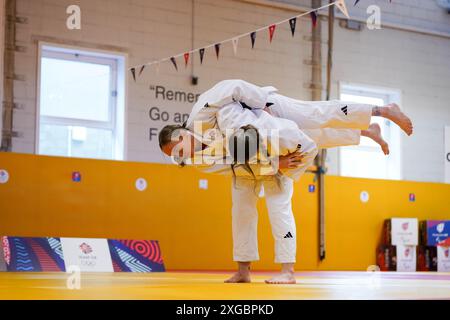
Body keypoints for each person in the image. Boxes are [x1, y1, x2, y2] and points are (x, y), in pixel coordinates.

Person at [158, 79, 413, 284]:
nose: (182, 155)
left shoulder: (203, 112)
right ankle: (243, 270)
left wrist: (260, 105)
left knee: (316, 117)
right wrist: (273, 165)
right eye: (176, 156)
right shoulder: (192, 160)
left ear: (182, 132)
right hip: (251, 166)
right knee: (241, 212)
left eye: (179, 147)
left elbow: (233, 86)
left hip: (268, 111)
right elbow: (231, 166)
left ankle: (381, 111)